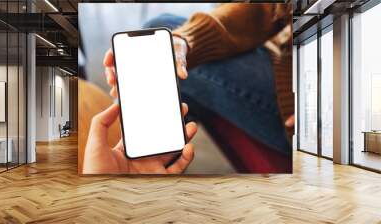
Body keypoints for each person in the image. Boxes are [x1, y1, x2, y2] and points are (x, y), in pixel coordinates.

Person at [85, 3, 294, 174]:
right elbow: (272, 8)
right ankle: (140, 161)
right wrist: (186, 40)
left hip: (302, 105)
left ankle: (137, 161)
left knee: (166, 59)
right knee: (164, 35)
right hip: (288, 57)